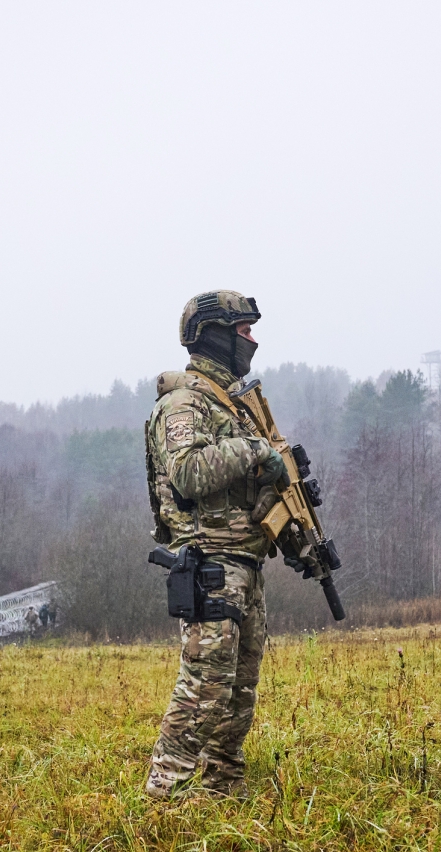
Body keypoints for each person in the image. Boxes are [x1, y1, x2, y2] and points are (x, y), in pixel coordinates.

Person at [142, 291, 289, 799]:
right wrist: (254, 451)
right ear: (217, 335)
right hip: (209, 563)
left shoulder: (235, 404)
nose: (252, 339)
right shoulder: (184, 403)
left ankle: (223, 787)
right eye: (244, 330)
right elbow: (186, 471)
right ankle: (166, 792)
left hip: (244, 560)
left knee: (239, 688)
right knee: (204, 686)